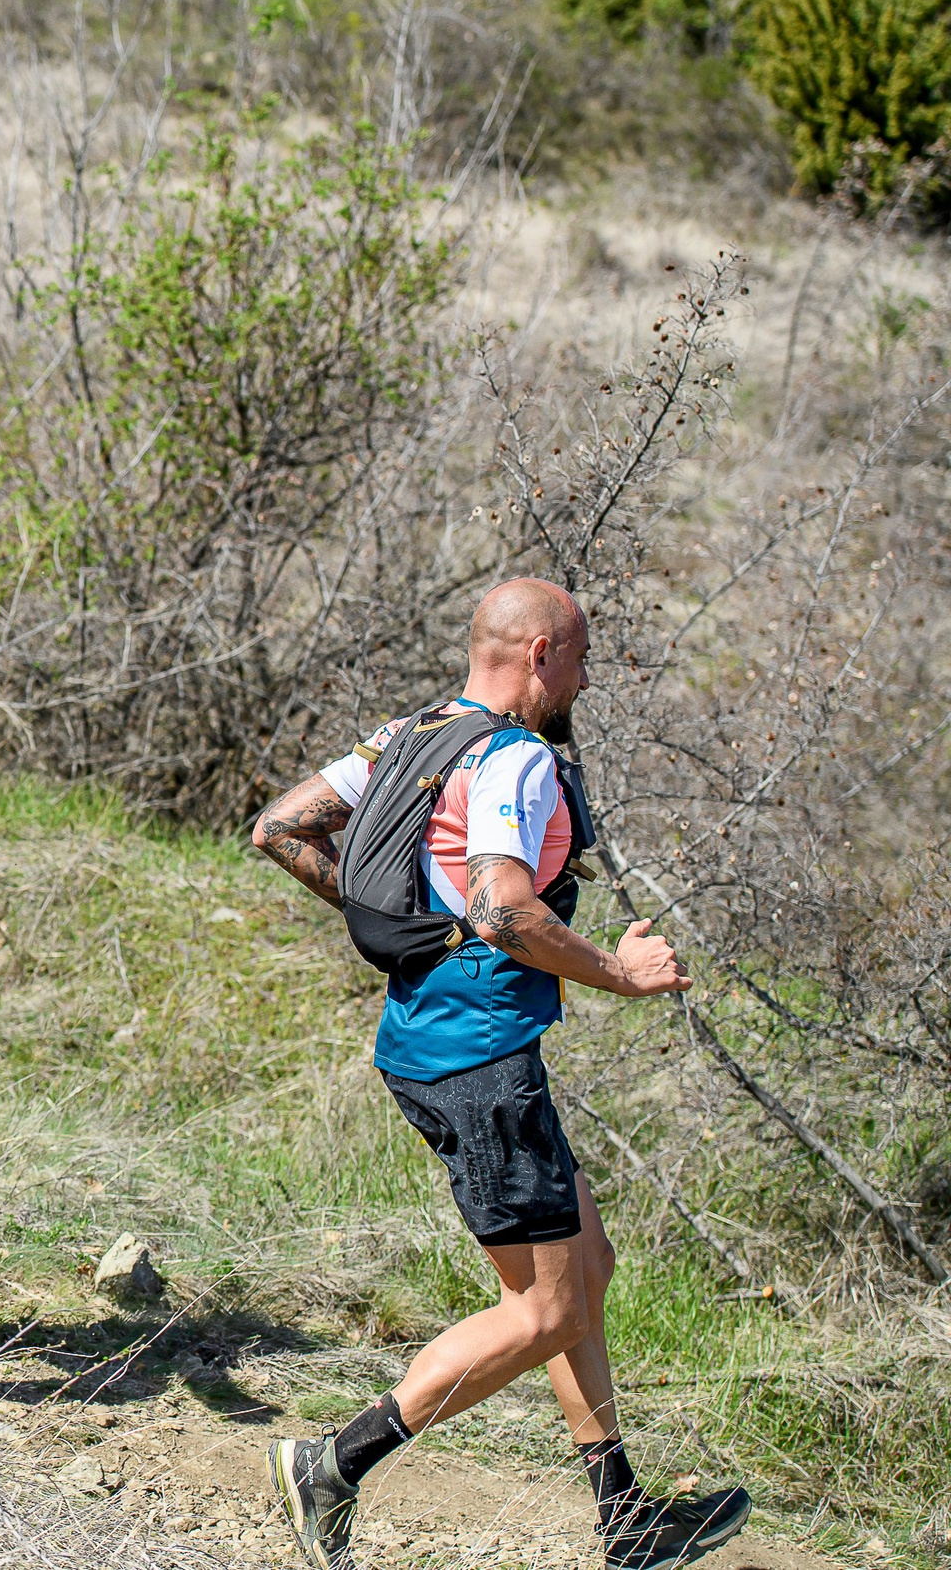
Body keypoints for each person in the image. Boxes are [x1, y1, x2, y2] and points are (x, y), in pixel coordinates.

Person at [250, 578, 749, 1570]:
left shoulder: (407, 733)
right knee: (550, 1310)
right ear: (537, 656)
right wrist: (619, 973)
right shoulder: (514, 757)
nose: (582, 678)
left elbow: (277, 828)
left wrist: (411, 936)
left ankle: (623, 1516)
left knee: (580, 1274)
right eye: (578, 657)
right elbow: (505, 911)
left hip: (429, 1039)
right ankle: (332, 1465)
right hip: (479, 1060)